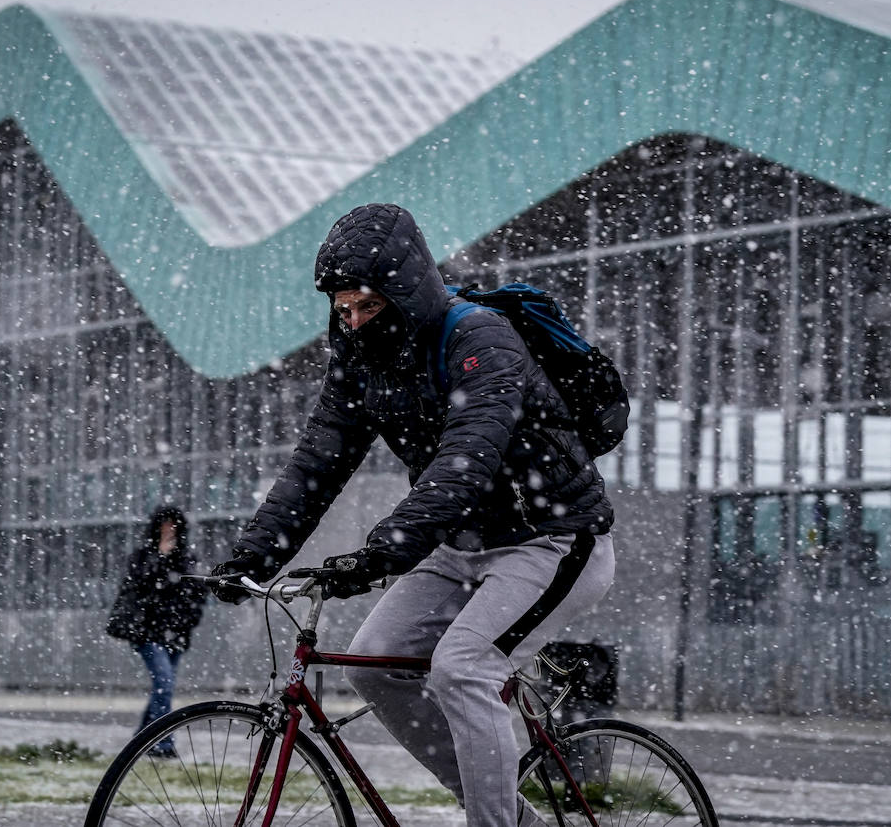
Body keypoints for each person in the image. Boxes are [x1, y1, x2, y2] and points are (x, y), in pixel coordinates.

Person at [211, 203, 615, 826]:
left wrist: (382, 553)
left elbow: (466, 457)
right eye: (342, 309)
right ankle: (512, 816)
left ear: (404, 291)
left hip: (553, 540)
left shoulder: (479, 337)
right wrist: (251, 558)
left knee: (463, 669)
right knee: (377, 662)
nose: (352, 322)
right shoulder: (359, 357)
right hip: (458, 546)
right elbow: (318, 462)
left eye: (366, 306)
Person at [107, 504, 207, 757]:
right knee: (164, 684)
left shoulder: (186, 558)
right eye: (164, 524)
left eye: (173, 524)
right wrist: (159, 558)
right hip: (148, 633)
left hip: (175, 633)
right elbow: (137, 588)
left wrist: (187, 621)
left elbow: (195, 593)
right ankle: (163, 744)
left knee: (163, 687)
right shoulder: (143, 557)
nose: (168, 529)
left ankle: (140, 741)